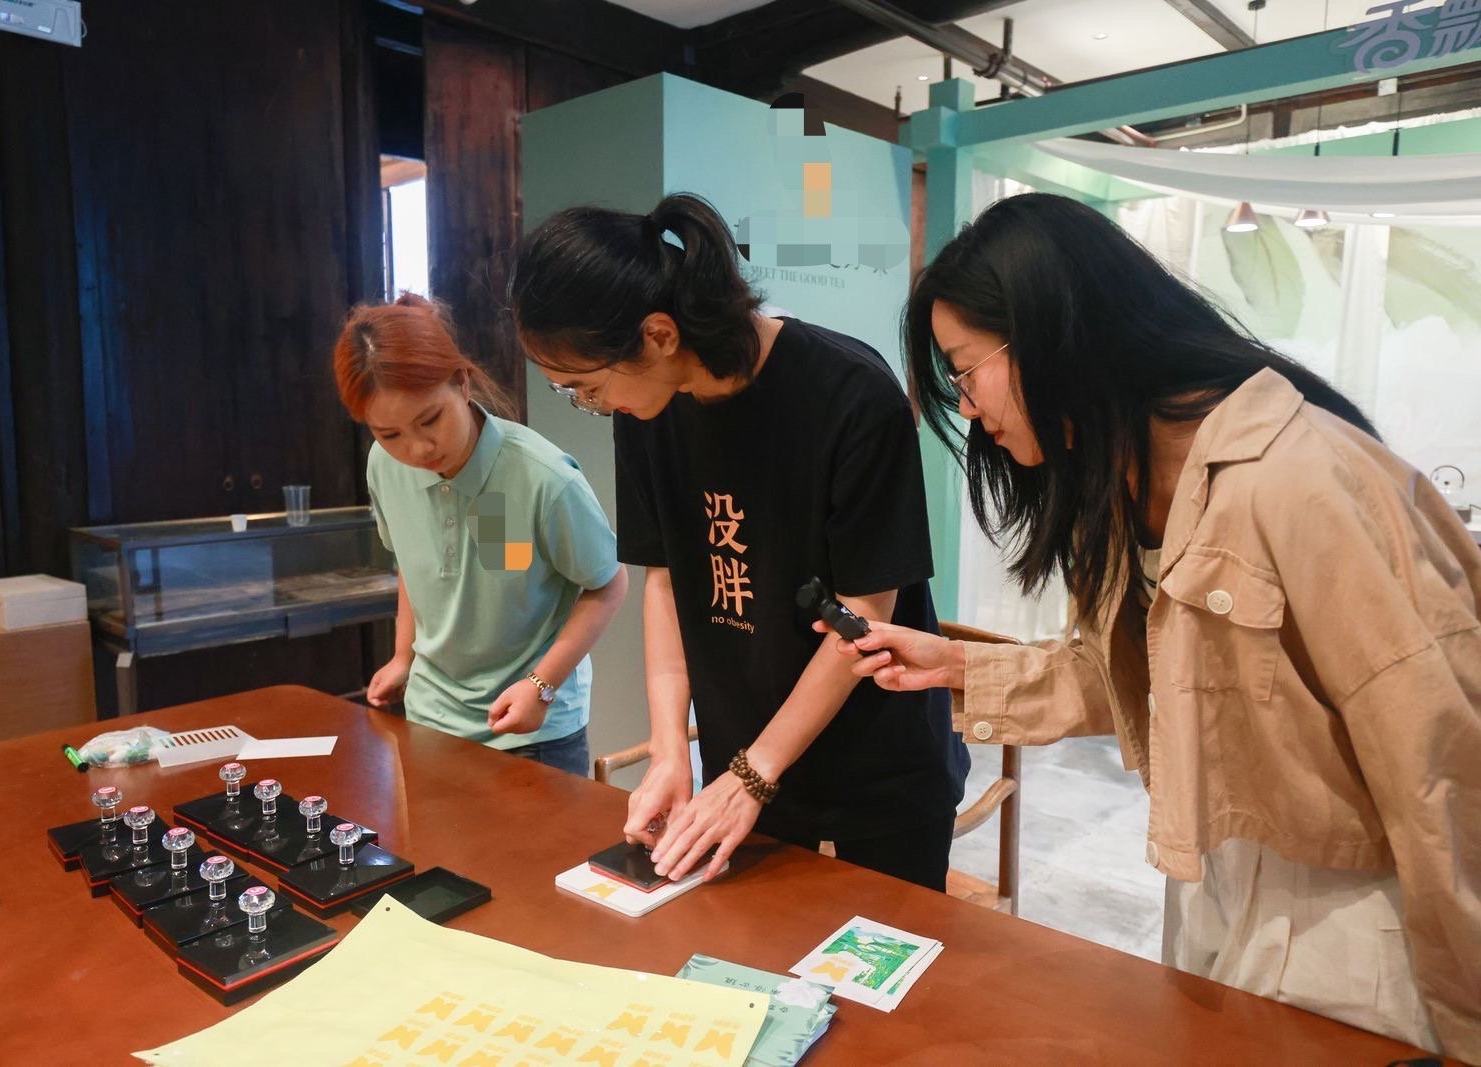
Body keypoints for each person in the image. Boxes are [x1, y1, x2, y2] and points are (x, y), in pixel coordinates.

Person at [826, 192, 1480, 1058]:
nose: (967, 406)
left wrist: (1467, 1020)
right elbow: (1140, 675)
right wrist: (957, 666)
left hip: (1355, 923)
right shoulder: (1118, 487)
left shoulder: (1304, 478)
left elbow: (1439, 767)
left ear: (1052, 334)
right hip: (1214, 882)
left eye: (965, 370)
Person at [508, 193, 969, 890]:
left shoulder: (849, 393)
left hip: (877, 763)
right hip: (745, 765)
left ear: (659, 335)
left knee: (888, 956)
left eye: (585, 387)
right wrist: (671, 750)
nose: (589, 405)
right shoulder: (646, 411)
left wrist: (754, 772)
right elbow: (666, 580)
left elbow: (865, 611)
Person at [332, 292, 627, 776]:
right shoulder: (385, 466)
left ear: (462, 383)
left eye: (430, 419)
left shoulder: (538, 476)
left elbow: (608, 585)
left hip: (531, 733)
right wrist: (403, 656)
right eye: (390, 434)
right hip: (430, 722)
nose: (418, 449)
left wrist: (541, 685)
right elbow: (411, 561)